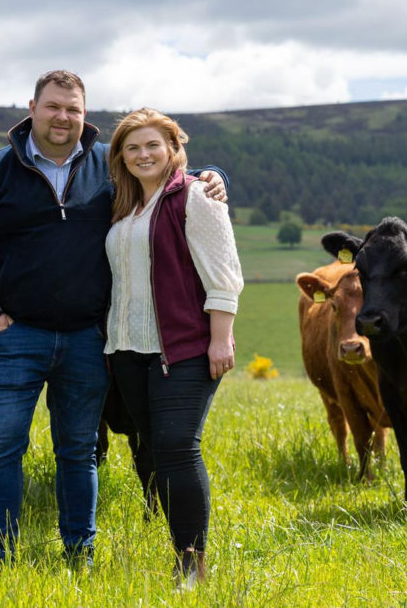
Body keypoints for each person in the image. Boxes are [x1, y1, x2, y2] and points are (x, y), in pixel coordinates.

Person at [0, 71, 227, 568]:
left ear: (84, 114)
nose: (63, 117)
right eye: (53, 107)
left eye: (73, 109)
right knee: (2, 447)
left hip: (85, 338)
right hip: (14, 338)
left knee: (78, 451)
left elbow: (163, 174)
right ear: (32, 107)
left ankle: (80, 553)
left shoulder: (107, 167)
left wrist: (214, 176)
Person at [104, 108, 243, 588]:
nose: (143, 155)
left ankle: (192, 564)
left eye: (152, 145)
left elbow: (224, 273)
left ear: (172, 148)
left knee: (178, 448)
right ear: (121, 157)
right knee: (157, 452)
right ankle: (179, 550)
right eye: (132, 147)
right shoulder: (124, 206)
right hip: (126, 350)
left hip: (182, 346)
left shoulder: (196, 196)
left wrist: (220, 339)